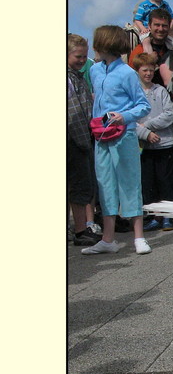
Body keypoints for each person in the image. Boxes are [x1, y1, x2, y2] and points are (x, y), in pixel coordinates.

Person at [81, 25, 152, 255]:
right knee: (105, 184)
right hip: (101, 135)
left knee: (130, 182)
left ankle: (139, 236)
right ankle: (108, 239)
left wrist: (124, 116)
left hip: (124, 135)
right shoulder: (95, 71)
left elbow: (143, 105)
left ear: (104, 44)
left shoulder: (128, 73)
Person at [132, 53, 173, 231]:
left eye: (151, 70)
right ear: (138, 71)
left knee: (165, 181)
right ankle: (154, 216)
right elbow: (130, 119)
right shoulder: (133, 93)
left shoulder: (161, 91)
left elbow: (169, 114)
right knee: (148, 183)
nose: (148, 73)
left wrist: (148, 126)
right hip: (144, 146)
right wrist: (144, 133)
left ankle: (167, 216)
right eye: (145, 70)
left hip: (164, 143)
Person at [68, 35, 101, 246]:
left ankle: (81, 228)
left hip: (79, 139)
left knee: (80, 186)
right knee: (79, 187)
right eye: (78, 56)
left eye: (84, 56)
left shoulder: (77, 76)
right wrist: (84, 141)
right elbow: (72, 114)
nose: (82, 60)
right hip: (75, 140)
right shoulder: (68, 79)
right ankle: (80, 230)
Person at [128, 8, 173, 86]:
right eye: (157, 25)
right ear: (149, 26)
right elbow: (130, 80)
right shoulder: (140, 51)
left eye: (164, 26)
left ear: (169, 26)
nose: (161, 29)